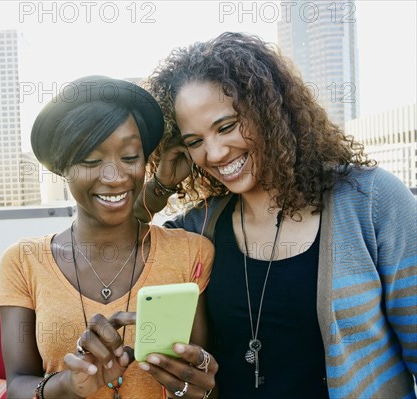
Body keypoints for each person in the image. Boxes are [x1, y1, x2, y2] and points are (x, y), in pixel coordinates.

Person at [134, 32, 417, 399]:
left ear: (270, 110)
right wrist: (160, 186)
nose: (215, 152)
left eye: (226, 126)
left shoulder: (371, 200)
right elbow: (117, 242)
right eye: (194, 141)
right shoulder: (199, 227)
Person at [0, 76, 217, 399]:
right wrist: (68, 385)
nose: (114, 178)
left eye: (129, 157)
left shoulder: (191, 252)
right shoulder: (22, 260)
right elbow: (17, 386)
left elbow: (201, 382)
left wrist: (200, 387)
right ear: (63, 168)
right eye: (90, 161)